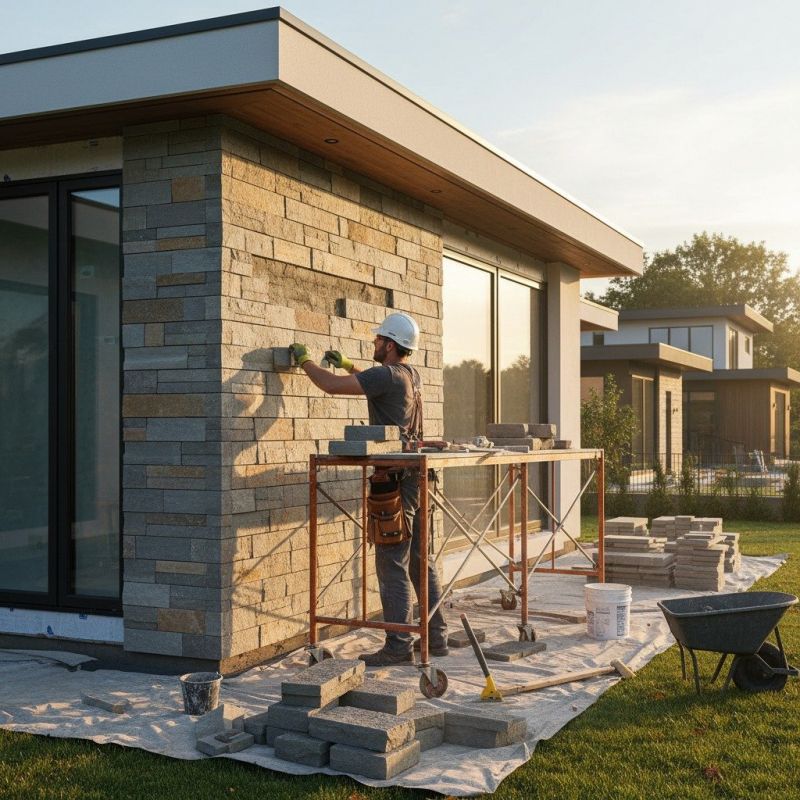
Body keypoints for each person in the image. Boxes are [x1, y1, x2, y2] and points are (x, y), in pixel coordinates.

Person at [290, 311, 448, 666]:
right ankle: (436, 636)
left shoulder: (387, 375)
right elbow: (374, 384)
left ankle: (398, 645)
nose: (374, 344)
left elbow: (329, 386)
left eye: (378, 340)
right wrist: (350, 366)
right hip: (418, 477)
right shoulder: (409, 374)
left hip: (394, 481)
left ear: (390, 345)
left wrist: (305, 361)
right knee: (422, 559)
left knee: (392, 561)